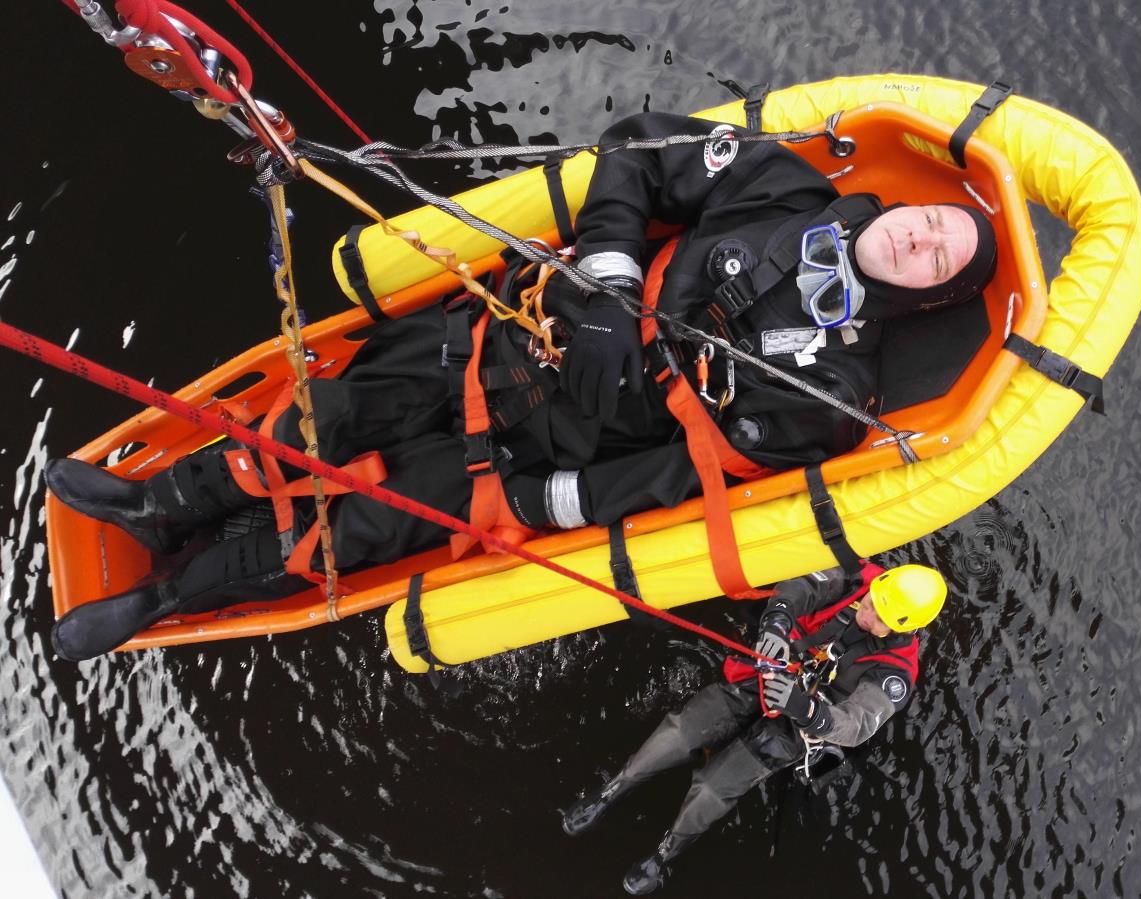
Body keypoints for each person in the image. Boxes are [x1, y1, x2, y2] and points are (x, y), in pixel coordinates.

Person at [45, 111, 998, 661]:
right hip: (506, 337)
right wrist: (612, 285)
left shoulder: (833, 390)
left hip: (536, 455)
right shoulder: (783, 186)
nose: (919, 238)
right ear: (908, 203)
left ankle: (169, 599)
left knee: (355, 530)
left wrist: (551, 501)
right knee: (319, 415)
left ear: (927, 294)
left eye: (937, 256)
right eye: (931, 222)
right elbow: (635, 151)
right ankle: (158, 505)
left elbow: (692, 476)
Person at [560, 561, 947, 894]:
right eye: (871, 603)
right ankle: (614, 789)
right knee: (681, 732)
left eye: (880, 619)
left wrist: (806, 710)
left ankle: (666, 851)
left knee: (713, 787)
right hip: (771, 671)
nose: (867, 614)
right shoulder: (858, 578)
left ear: (905, 628)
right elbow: (800, 588)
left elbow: (858, 723)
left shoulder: (895, 674)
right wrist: (777, 623)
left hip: (804, 718)